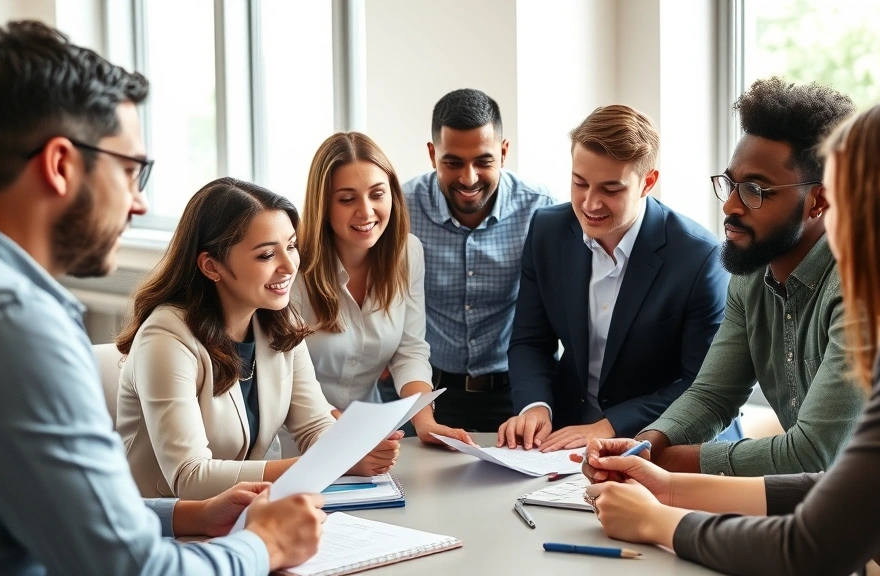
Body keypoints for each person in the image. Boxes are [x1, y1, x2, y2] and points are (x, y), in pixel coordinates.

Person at [580, 86, 880, 575]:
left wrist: (661, 523)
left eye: (848, 197)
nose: (838, 220)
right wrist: (665, 486)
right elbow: (847, 492)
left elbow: (811, 545)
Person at [0, 20, 323, 574]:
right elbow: (132, 568)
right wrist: (264, 546)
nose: (140, 204)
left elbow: (82, 521)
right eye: (130, 171)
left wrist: (183, 517)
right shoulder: (19, 323)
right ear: (60, 165)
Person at [116, 177, 402, 500]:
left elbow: (314, 426)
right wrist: (324, 464)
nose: (289, 266)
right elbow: (190, 477)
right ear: (212, 266)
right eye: (266, 255)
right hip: (164, 529)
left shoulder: (278, 320)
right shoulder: (165, 338)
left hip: (244, 515)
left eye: (291, 246)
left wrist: (352, 450)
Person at [635, 77, 865, 475]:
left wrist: (664, 463)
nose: (730, 206)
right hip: (817, 505)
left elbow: (813, 456)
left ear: (819, 201)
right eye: (730, 184)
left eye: (755, 191)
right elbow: (711, 396)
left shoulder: (862, 286)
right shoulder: (751, 274)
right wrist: (645, 445)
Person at [497, 104, 730, 451]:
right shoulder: (547, 230)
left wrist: (610, 426)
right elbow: (531, 339)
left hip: (662, 439)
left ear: (647, 182)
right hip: (564, 435)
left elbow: (700, 385)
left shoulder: (699, 257)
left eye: (611, 189)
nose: (590, 203)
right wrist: (535, 406)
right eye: (580, 183)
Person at [292, 131, 472, 446]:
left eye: (377, 194)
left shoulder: (408, 253)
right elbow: (286, 380)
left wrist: (425, 421)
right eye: (347, 199)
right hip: (298, 439)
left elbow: (410, 351)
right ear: (323, 204)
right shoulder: (293, 264)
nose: (366, 211)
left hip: (370, 437)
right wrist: (347, 432)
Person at [402, 88, 556, 432]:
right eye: (453, 162)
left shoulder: (542, 208)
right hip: (426, 393)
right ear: (432, 154)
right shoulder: (401, 208)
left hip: (515, 395)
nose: (468, 178)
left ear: (503, 152)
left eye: (483, 162)